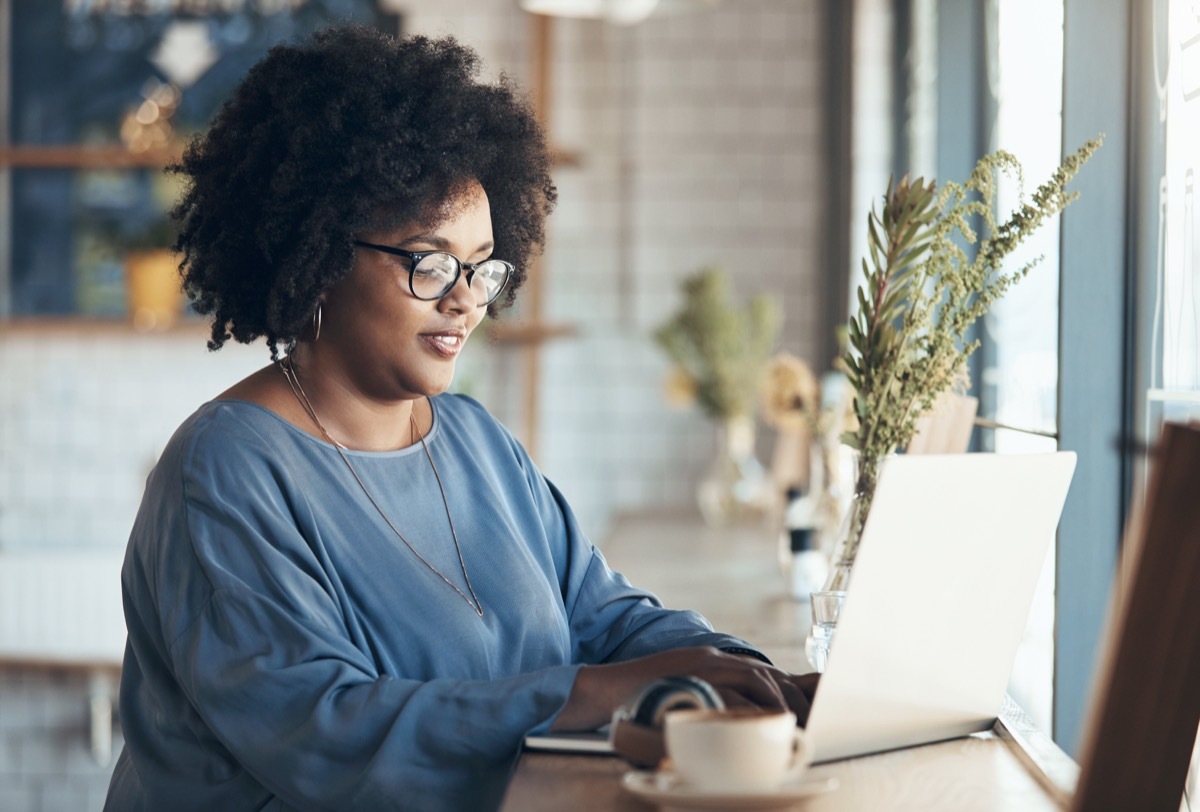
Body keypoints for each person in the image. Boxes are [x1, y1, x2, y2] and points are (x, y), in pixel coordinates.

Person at [104, 24, 817, 812]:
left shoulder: (476, 442)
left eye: (483, 265)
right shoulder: (226, 470)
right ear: (318, 255)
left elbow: (608, 619)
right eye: (429, 261)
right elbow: (326, 733)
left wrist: (756, 675)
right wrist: (598, 692)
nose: (466, 296)